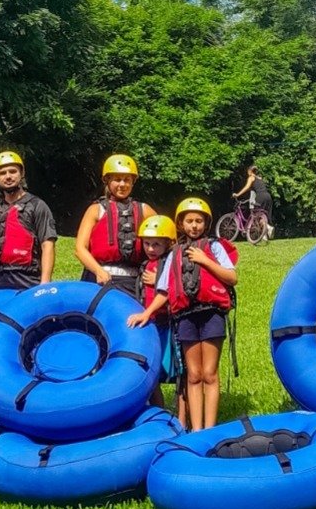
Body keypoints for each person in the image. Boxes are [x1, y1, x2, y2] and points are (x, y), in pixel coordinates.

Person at [127, 198, 237, 432]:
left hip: (211, 314)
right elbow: (164, 289)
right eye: (189, 221)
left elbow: (231, 278)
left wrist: (205, 261)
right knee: (194, 375)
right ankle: (196, 431)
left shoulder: (214, 247)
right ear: (181, 224)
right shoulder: (174, 253)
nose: (194, 226)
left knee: (209, 373)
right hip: (185, 316)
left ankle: (210, 429)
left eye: (199, 221)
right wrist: (146, 313)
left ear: (206, 223)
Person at [74, 154, 157, 298]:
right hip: (99, 278)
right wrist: (98, 271)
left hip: (134, 280)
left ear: (133, 182)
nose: (122, 185)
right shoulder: (95, 209)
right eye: (117, 180)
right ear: (107, 181)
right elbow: (80, 248)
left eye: (127, 180)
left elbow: (168, 243)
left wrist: (157, 273)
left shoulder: (145, 210)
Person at [0, 151, 57, 291]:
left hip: (27, 279)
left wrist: (45, 283)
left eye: (13, 171)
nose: (8, 176)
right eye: (2, 173)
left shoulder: (37, 205)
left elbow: (48, 245)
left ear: (21, 173)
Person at [137, 214, 179, 412]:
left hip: (167, 323)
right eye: (147, 244)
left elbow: (175, 288)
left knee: (177, 372)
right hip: (150, 324)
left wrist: (159, 279)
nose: (151, 249)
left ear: (169, 244)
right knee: (152, 374)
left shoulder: (170, 261)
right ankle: (157, 411)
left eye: (156, 244)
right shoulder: (145, 265)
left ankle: (180, 416)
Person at [232, 165, 275, 239]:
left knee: (255, 215)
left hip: (260, 196)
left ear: (249, 171)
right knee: (262, 215)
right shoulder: (260, 178)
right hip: (268, 197)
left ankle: (268, 227)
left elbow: (247, 187)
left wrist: (237, 194)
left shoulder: (251, 178)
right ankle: (264, 236)